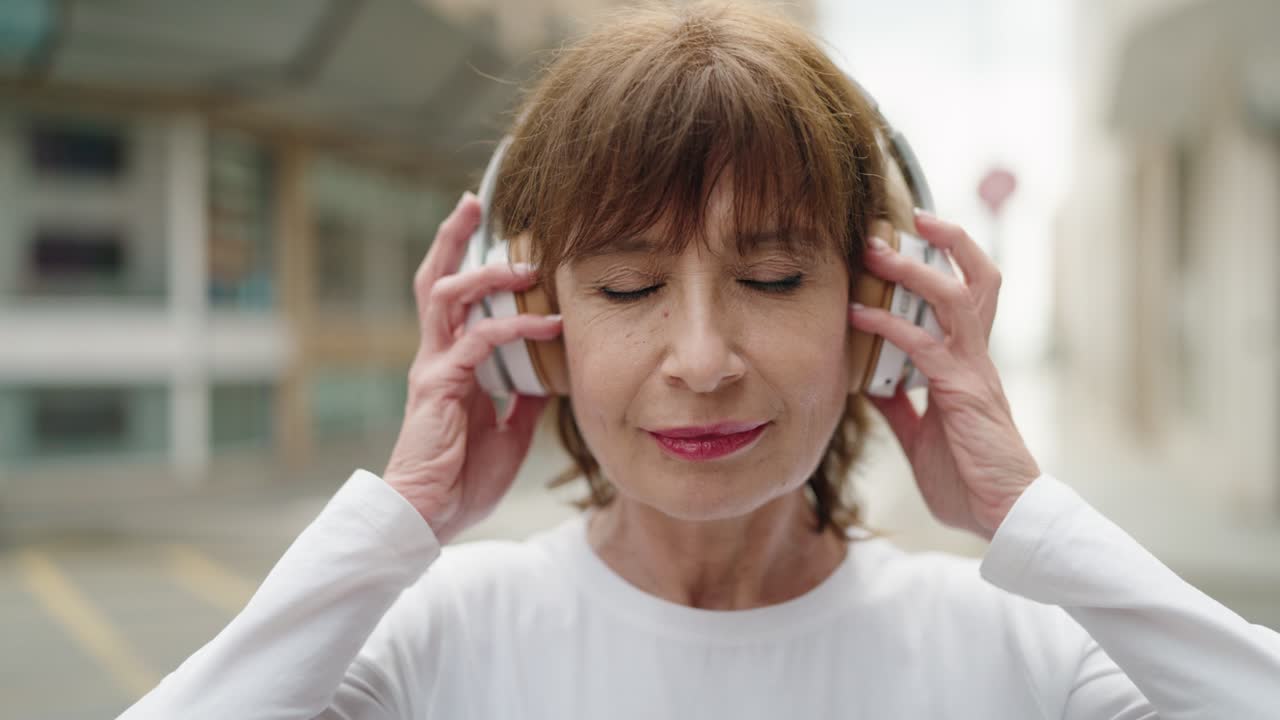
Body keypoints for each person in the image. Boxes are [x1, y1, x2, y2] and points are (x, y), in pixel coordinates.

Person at [119, 3, 1280, 718]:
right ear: (528, 325)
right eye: (627, 289)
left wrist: (1027, 517)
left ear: (875, 308)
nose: (701, 358)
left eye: (770, 279)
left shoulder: (1024, 649)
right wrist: (395, 524)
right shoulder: (428, 642)